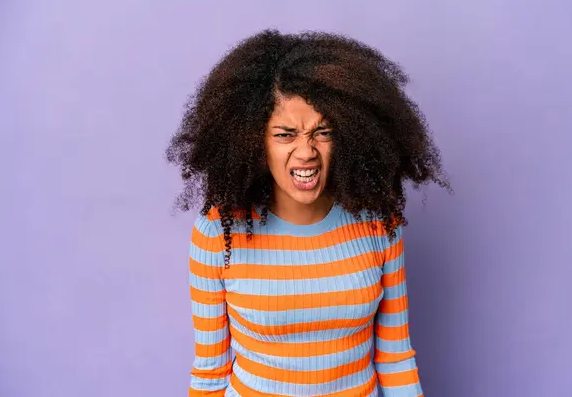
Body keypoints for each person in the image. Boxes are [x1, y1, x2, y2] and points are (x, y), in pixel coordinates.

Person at [166, 29, 449, 397]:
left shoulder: (380, 224)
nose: (306, 152)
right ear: (254, 140)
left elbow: (395, 359)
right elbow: (210, 373)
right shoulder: (219, 233)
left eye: (323, 132)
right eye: (285, 134)